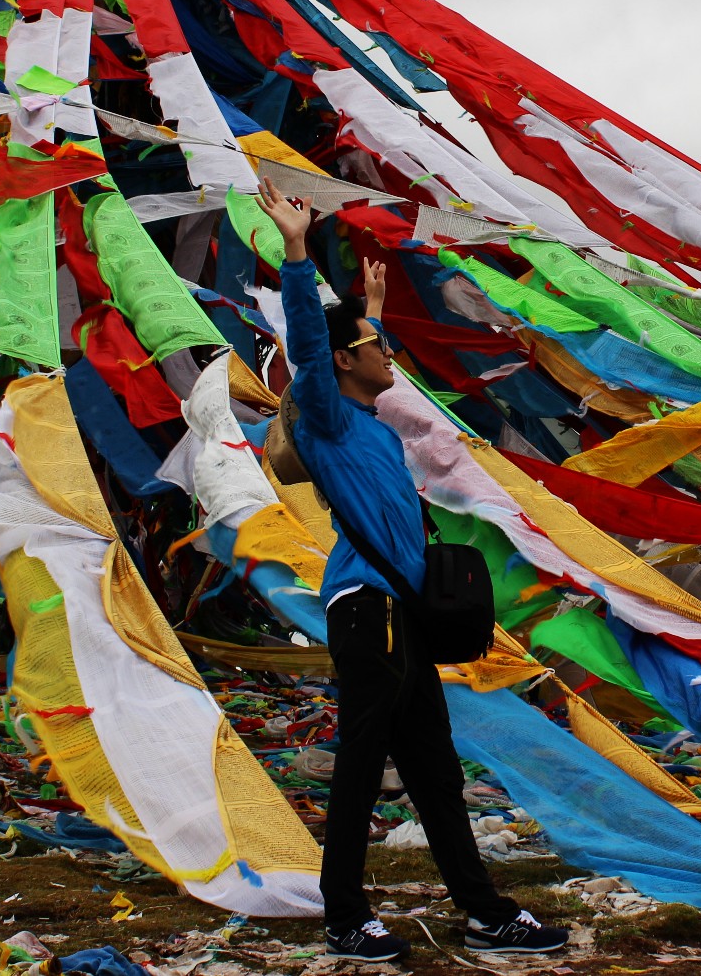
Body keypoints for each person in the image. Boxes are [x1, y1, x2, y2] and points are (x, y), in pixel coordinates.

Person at [259, 182, 567, 965]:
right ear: (342, 361)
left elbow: (351, 356)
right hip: (369, 611)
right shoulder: (327, 415)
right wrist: (298, 252)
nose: (390, 355)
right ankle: (344, 917)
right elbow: (310, 347)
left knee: (434, 768)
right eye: (378, 346)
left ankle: (484, 912)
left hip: (401, 612)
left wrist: (374, 313)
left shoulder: (367, 425)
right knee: (362, 764)